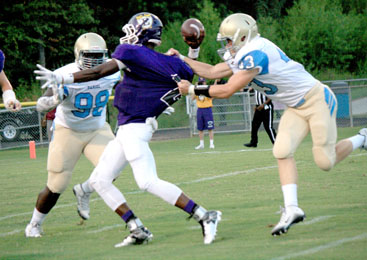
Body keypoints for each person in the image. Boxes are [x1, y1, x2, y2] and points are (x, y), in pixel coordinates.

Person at [34, 13, 221, 246]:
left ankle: (205, 215)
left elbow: (97, 72)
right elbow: (183, 71)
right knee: (100, 180)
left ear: (141, 32)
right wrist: (193, 50)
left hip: (135, 127)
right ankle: (136, 227)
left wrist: (62, 76)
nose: (126, 34)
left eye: (132, 29)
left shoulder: (130, 53)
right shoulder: (171, 63)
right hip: (129, 128)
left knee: (147, 181)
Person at [171, 13, 367, 236]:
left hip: (317, 99)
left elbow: (227, 90)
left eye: (228, 40)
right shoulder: (246, 51)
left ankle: (362, 137)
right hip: (296, 107)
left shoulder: (256, 53)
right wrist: (182, 59)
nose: (226, 45)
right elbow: (214, 71)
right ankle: (292, 209)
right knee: (282, 151)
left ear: (243, 37)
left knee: (325, 160)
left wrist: (192, 90)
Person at [25, 32, 121, 238]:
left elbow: (130, 83)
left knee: (114, 168)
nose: (95, 61)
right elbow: (41, 105)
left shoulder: (112, 71)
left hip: (97, 128)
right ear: (78, 54)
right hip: (68, 130)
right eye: (89, 55)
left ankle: (84, 190)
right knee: (56, 184)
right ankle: (34, 224)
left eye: (98, 56)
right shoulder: (64, 73)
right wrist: (52, 101)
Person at [195, 77, 215, 149]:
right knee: (200, 128)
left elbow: (212, 96)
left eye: (203, 82)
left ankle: (211, 143)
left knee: (210, 127)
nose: (202, 83)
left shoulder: (208, 90)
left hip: (207, 108)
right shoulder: (196, 90)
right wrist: (195, 88)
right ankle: (201, 144)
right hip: (200, 109)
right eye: (201, 82)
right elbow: (192, 97)